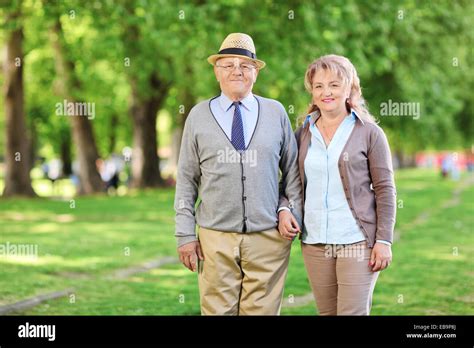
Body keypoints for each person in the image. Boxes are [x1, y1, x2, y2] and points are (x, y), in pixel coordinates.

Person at [174, 33, 302, 315]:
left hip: (268, 237)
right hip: (214, 237)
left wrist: (288, 208)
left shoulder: (276, 112)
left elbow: (292, 172)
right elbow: (186, 179)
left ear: (255, 72)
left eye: (245, 65)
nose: (237, 71)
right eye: (228, 64)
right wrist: (185, 234)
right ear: (216, 71)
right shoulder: (197, 116)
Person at [279, 54, 396, 315]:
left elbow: (386, 189)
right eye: (318, 86)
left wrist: (384, 240)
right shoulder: (303, 133)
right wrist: (285, 209)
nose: (326, 92)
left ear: (349, 88)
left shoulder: (369, 132)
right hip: (315, 241)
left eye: (333, 84)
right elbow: (290, 183)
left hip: (357, 241)